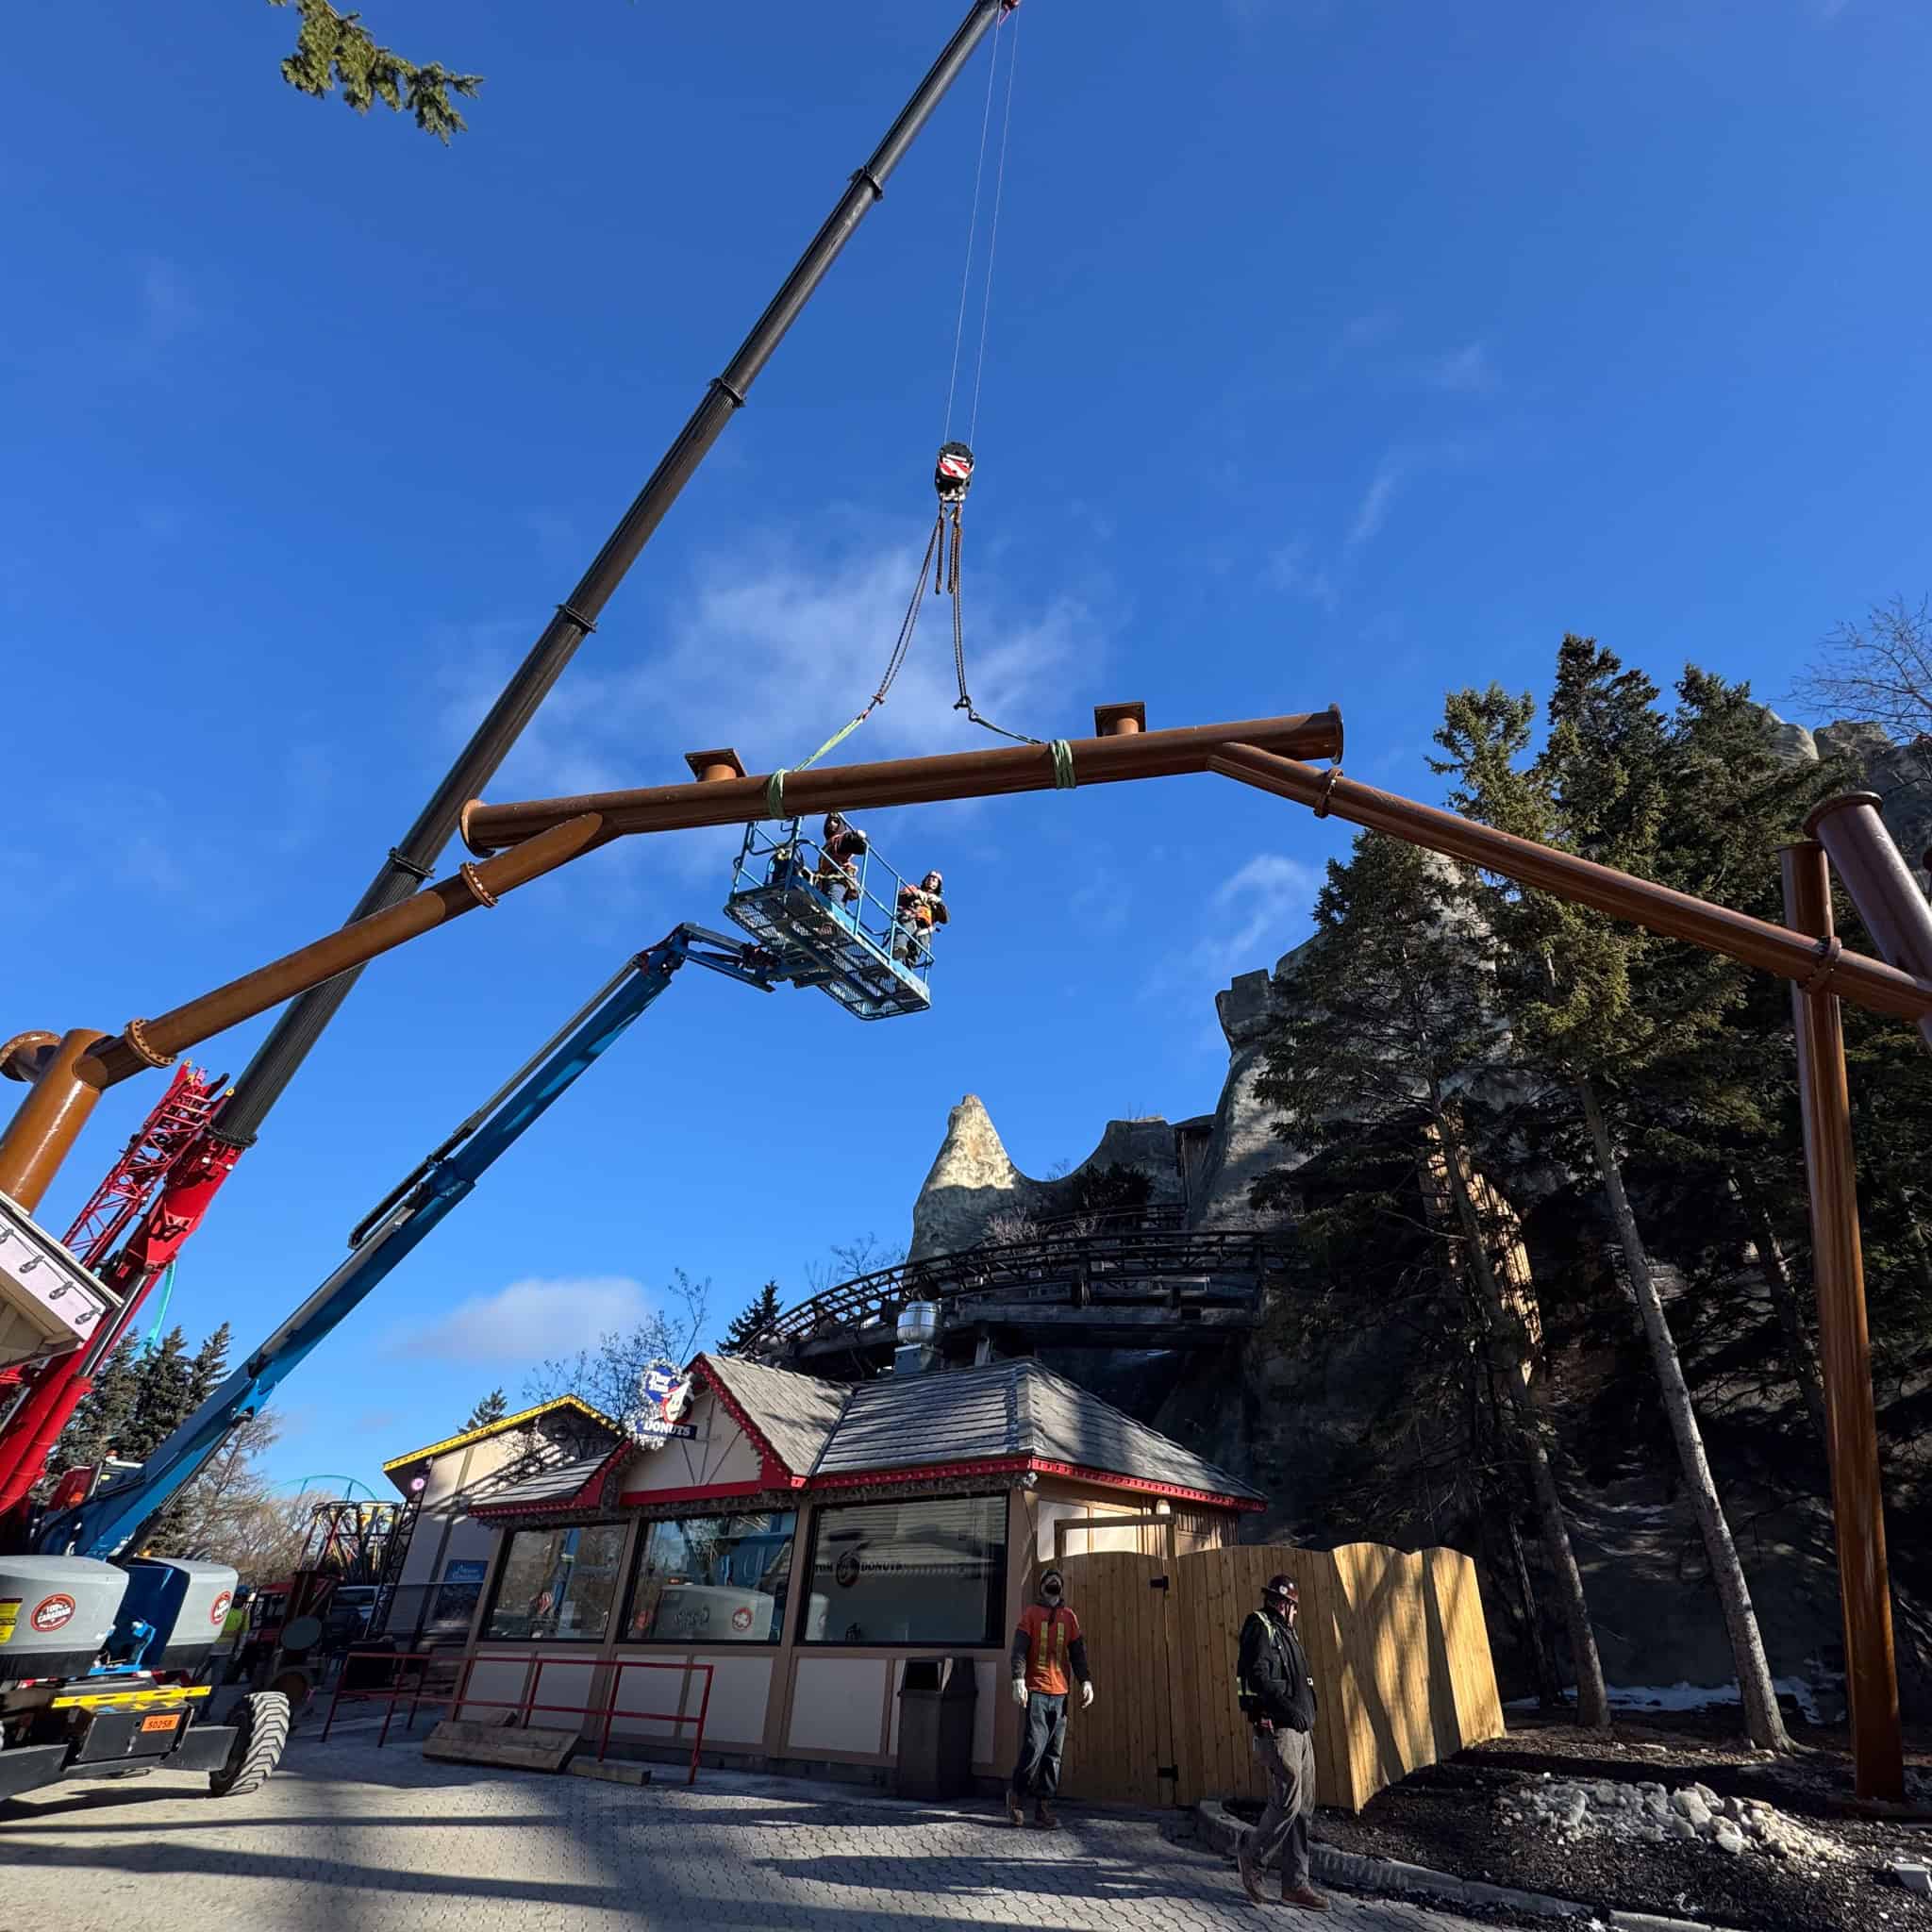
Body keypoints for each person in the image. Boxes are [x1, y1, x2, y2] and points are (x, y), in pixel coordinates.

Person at [1235, 1574, 1327, 1912]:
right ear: (1286, 1604)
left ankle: (1296, 1884)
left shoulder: (1288, 1633)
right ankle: (1253, 1857)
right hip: (1280, 1729)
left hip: (1302, 1731)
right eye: (1291, 1605)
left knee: (1304, 1808)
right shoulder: (1260, 1626)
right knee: (1288, 1802)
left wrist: (1307, 1711)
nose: (1292, 1611)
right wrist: (1286, 1711)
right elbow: (1257, 1677)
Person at [1006, 1566, 1093, 1830]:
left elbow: (1077, 1653)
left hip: (1061, 1694)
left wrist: (1086, 1681)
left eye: (1058, 1582)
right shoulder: (1030, 1614)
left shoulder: (1069, 1617)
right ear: (1042, 1588)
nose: (1054, 1585)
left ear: (1061, 1589)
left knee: (1054, 1753)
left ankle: (1043, 1807)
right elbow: (1019, 1649)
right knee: (1034, 1745)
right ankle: (1016, 1797)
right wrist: (1018, 1680)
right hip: (1036, 1691)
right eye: (1049, 1581)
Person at [893, 869, 949, 965]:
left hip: (924, 929)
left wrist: (938, 903)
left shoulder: (937, 902)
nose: (932, 880)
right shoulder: (914, 888)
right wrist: (915, 895)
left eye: (935, 880)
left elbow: (945, 919)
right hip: (910, 917)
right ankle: (897, 949)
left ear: (938, 885)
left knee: (916, 948)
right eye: (930, 878)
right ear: (925, 880)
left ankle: (906, 971)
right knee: (906, 928)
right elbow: (900, 897)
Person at [812, 811, 867, 905]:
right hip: (823, 881)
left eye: (835, 821)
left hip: (837, 879)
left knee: (833, 906)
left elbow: (861, 847)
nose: (831, 824)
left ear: (841, 825)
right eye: (829, 821)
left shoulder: (840, 839)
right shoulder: (829, 843)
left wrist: (856, 838)